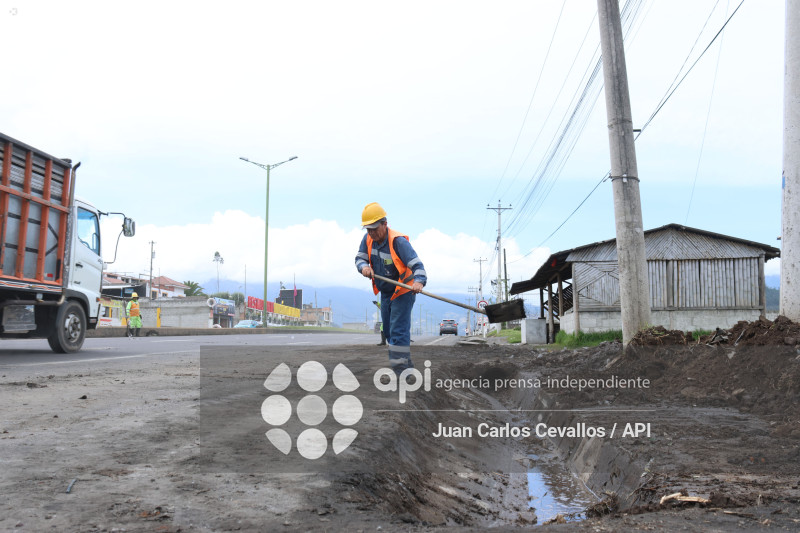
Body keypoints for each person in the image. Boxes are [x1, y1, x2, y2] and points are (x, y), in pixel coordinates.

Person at [356, 202, 426, 375]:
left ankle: (402, 372)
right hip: (386, 292)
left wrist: (419, 281)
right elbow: (359, 258)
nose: (371, 233)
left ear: (385, 224)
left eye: (374, 228)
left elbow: (418, 265)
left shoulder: (398, 242)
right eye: (368, 229)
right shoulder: (368, 239)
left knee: (398, 331)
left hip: (403, 291)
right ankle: (406, 365)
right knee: (388, 331)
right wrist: (364, 267)